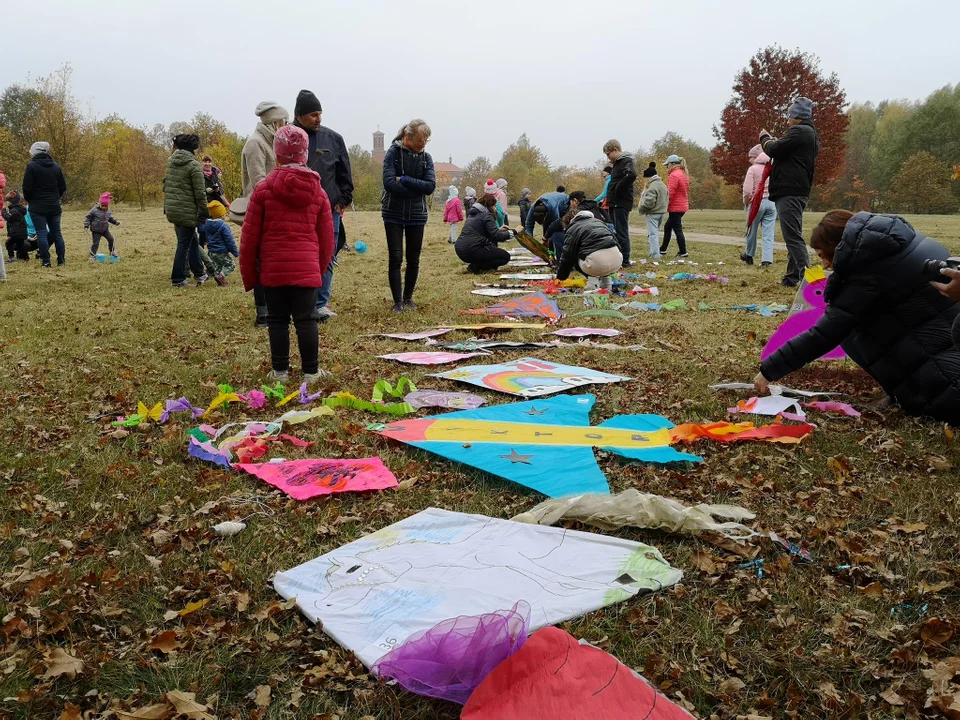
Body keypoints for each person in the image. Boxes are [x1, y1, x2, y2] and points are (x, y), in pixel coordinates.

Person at [755, 211, 960, 424]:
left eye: (822, 255)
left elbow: (824, 334)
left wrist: (769, 370)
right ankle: (899, 390)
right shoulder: (900, 243)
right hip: (947, 343)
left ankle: (910, 392)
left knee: (849, 329)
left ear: (837, 247)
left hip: (950, 384)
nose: (824, 265)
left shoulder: (868, 274)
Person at [239, 125, 335, 383]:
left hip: (274, 270)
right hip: (306, 270)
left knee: (277, 319)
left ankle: (280, 371)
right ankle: (311, 371)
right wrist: (320, 268)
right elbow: (327, 239)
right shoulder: (320, 193)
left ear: (277, 153)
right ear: (306, 154)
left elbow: (249, 238)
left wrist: (250, 274)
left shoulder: (263, 190)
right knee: (307, 320)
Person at [292, 89, 354, 320]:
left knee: (327, 255)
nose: (318, 119)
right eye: (313, 114)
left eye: (320, 113)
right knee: (300, 256)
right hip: (298, 211)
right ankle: (300, 303)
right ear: (299, 116)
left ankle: (321, 303)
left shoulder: (333, 138)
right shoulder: (289, 136)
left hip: (329, 209)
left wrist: (343, 199)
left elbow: (344, 173)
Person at [760, 97, 820, 287]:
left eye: (790, 115)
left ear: (798, 116)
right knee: (793, 234)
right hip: (797, 190)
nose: (787, 120)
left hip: (790, 191)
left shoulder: (800, 132)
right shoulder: (809, 134)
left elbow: (774, 149)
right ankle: (792, 277)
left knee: (792, 236)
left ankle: (810, 283)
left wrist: (765, 138)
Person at [239, 101, 290, 327]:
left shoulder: (273, 143)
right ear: (273, 123)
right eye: (283, 121)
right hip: (261, 210)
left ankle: (276, 308)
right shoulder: (255, 144)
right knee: (261, 261)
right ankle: (263, 313)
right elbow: (259, 182)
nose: (286, 125)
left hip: (275, 210)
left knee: (273, 260)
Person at [381, 119, 435, 312]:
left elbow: (429, 187)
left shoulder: (426, 158)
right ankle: (397, 303)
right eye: (421, 139)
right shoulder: (393, 153)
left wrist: (404, 179)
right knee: (395, 257)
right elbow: (389, 183)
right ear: (407, 137)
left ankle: (408, 299)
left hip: (417, 215)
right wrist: (416, 187)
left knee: (414, 259)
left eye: (426, 140)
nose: (423, 144)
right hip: (393, 213)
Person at [163, 134, 209, 287]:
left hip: (173, 208)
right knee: (184, 244)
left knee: (192, 240)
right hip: (187, 211)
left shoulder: (171, 161)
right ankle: (178, 278)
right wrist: (204, 211)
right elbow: (200, 192)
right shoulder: (194, 165)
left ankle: (199, 273)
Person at [22, 141, 67, 268]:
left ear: (35, 152)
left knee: (41, 233)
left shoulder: (31, 166)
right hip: (54, 205)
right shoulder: (56, 167)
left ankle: (46, 262)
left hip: (37, 206)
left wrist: (30, 200)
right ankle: (61, 261)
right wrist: (54, 197)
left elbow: (26, 187)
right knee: (57, 233)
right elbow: (62, 186)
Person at [556, 210, 623, 290]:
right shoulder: (599, 222)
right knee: (601, 253)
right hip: (616, 262)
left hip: (595, 265)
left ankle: (592, 282)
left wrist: (561, 277)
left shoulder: (573, 228)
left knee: (574, 254)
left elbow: (567, 256)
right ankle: (607, 283)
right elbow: (616, 243)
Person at [455, 193, 513, 273]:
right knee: (505, 257)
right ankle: (476, 267)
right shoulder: (486, 215)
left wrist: (499, 230)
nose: (495, 208)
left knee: (494, 252)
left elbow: (485, 232)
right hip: (473, 248)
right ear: (489, 206)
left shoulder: (473, 214)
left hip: (461, 249)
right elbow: (497, 236)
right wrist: (515, 231)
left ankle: (476, 266)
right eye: (494, 206)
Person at [602, 140, 637, 267]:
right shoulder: (616, 163)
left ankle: (625, 260)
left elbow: (631, 175)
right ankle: (618, 258)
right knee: (616, 231)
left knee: (621, 231)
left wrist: (617, 188)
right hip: (613, 202)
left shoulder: (626, 161)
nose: (608, 157)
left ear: (615, 150)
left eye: (608, 154)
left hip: (620, 202)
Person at [741, 144, 776, 267]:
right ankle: (767, 259)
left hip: (756, 203)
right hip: (771, 202)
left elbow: (747, 190)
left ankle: (749, 254)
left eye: (750, 157)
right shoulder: (771, 168)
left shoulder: (753, 169)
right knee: (768, 233)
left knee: (752, 230)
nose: (749, 160)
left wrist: (746, 201)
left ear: (756, 157)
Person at [660, 155, 689, 258]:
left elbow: (670, 192)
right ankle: (663, 249)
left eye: (667, 165)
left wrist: (664, 203)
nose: (667, 167)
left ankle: (683, 251)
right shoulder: (683, 173)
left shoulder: (674, 175)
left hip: (676, 207)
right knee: (668, 227)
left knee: (677, 229)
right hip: (682, 206)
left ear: (672, 164)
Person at [637, 162, 667, 260]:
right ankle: (653, 252)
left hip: (653, 213)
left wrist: (641, 208)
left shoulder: (652, 186)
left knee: (653, 234)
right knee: (654, 233)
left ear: (648, 177)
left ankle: (655, 255)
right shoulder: (662, 185)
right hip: (662, 212)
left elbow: (649, 202)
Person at [203, 200, 239, 280]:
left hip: (212, 252)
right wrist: (235, 252)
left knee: (218, 266)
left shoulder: (207, 225)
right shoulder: (224, 226)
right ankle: (221, 276)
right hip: (222, 252)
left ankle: (218, 278)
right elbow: (229, 241)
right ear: (222, 215)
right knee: (231, 265)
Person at [85, 192, 122, 261]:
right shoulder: (94, 210)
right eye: (103, 206)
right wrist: (86, 225)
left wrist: (115, 222)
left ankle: (112, 252)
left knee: (111, 239)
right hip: (96, 230)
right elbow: (88, 217)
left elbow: (109, 218)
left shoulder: (108, 211)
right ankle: (92, 256)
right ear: (100, 204)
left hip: (105, 230)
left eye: (106, 206)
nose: (104, 207)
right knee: (96, 243)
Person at [3, 191, 29, 262]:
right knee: (20, 245)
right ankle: (25, 257)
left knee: (8, 243)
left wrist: (3, 212)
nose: (7, 203)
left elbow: (9, 218)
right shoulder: (19, 209)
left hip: (16, 233)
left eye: (8, 202)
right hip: (22, 232)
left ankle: (11, 258)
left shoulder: (14, 210)